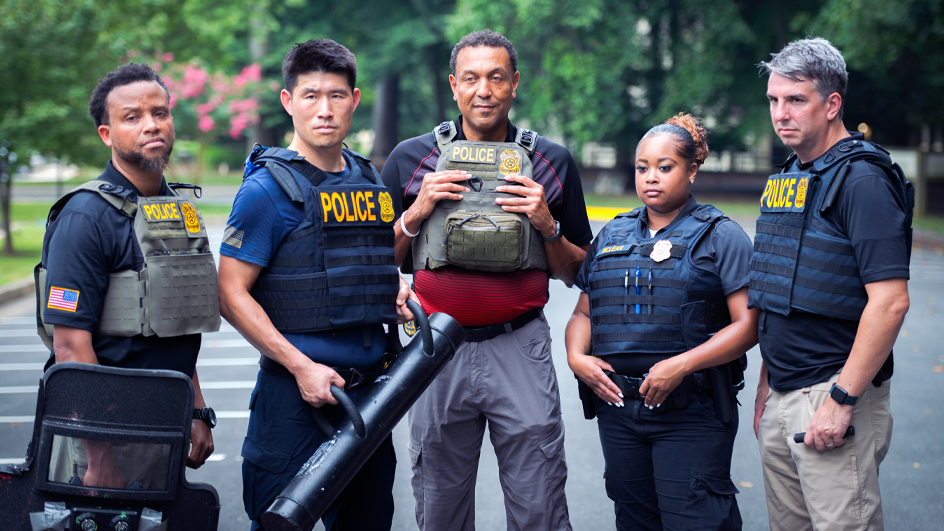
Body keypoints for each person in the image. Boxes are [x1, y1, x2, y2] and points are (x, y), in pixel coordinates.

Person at [381, 29, 592, 531]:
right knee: (439, 504)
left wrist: (547, 224)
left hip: (518, 343)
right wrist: (417, 211)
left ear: (514, 84)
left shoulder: (550, 161)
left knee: (538, 501)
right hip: (435, 349)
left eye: (496, 77)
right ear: (454, 85)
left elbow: (577, 271)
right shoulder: (411, 159)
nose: (484, 90)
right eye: (471, 78)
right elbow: (375, 263)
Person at [217, 39, 416, 531]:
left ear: (355, 99)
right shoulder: (266, 189)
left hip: (367, 399)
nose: (324, 110)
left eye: (336, 95)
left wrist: (389, 290)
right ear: (288, 102)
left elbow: (362, 266)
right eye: (310, 96)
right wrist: (301, 367)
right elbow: (229, 292)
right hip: (293, 401)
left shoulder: (369, 181)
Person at [565, 114, 757, 530]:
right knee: (634, 521)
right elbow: (584, 312)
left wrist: (682, 364)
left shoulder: (721, 236)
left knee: (696, 520)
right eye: (642, 167)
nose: (651, 177)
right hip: (619, 410)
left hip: (691, 412)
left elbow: (748, 326)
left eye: (665, 167)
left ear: (691, 170)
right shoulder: (613, 233)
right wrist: (576, 357)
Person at [751, 38, 912, 531]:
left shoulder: (862, 180)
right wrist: (766, 384)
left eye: (796, 100)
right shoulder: (792, 176)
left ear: (832, 104)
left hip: (832, 395)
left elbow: (890, 303)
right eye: (775, 100)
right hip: (784, 394)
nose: (782, 113)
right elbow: (779, 292)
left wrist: (841, 401)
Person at [37, 62, 219, 488]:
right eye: (132, 117)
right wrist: (99, 456)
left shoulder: (175, 210)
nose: (151, 125)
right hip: (102, 436)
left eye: (160, 112)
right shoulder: (85, 216)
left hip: (163, 426)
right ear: (107, 134)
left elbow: (172, 324)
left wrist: (195, 409)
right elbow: (68, 345)